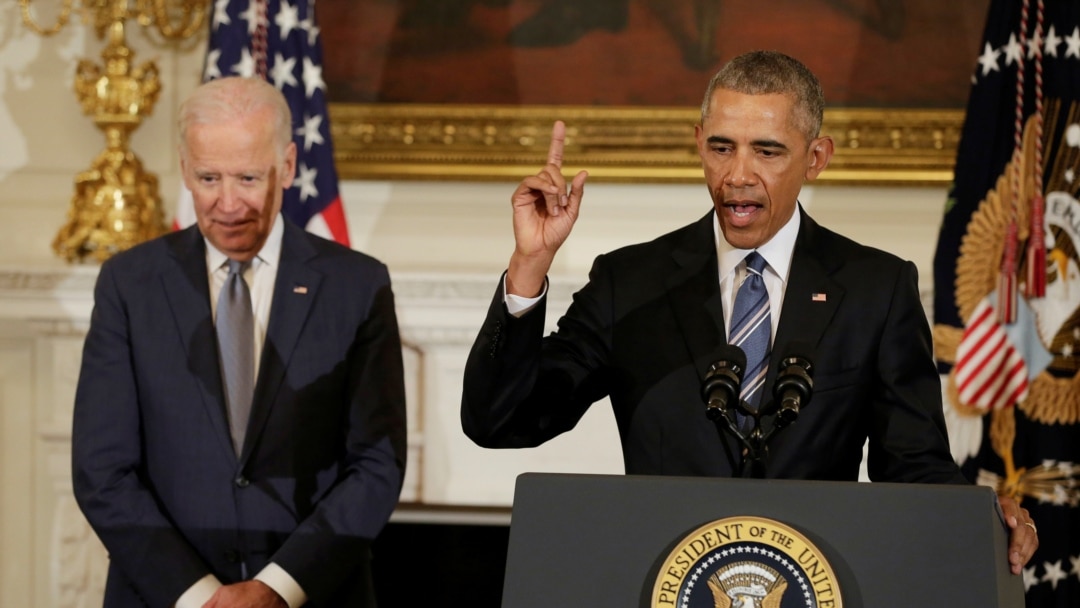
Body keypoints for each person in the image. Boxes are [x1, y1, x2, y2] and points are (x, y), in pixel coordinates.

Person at [461, 50, 1038, 573]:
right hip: (662, 581)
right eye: (721, 147)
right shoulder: (630, 282)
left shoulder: (875, 288)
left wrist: (983, 514)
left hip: (816, 583)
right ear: (698, 143)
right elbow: (501, 421)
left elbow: (913, 465)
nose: (738, 174)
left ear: (816, 158)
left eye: (767, 151)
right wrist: (529, 265)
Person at [71, 76, 407, 607]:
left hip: (312, 596)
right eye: (208, 178)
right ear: (184, 168)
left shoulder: (357, 287)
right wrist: (198, 595)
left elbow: (376, 464)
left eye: (249, 178)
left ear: (289, 165)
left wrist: (276, 589)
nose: (227, 203)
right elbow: (101, 470)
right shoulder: (129, 284)